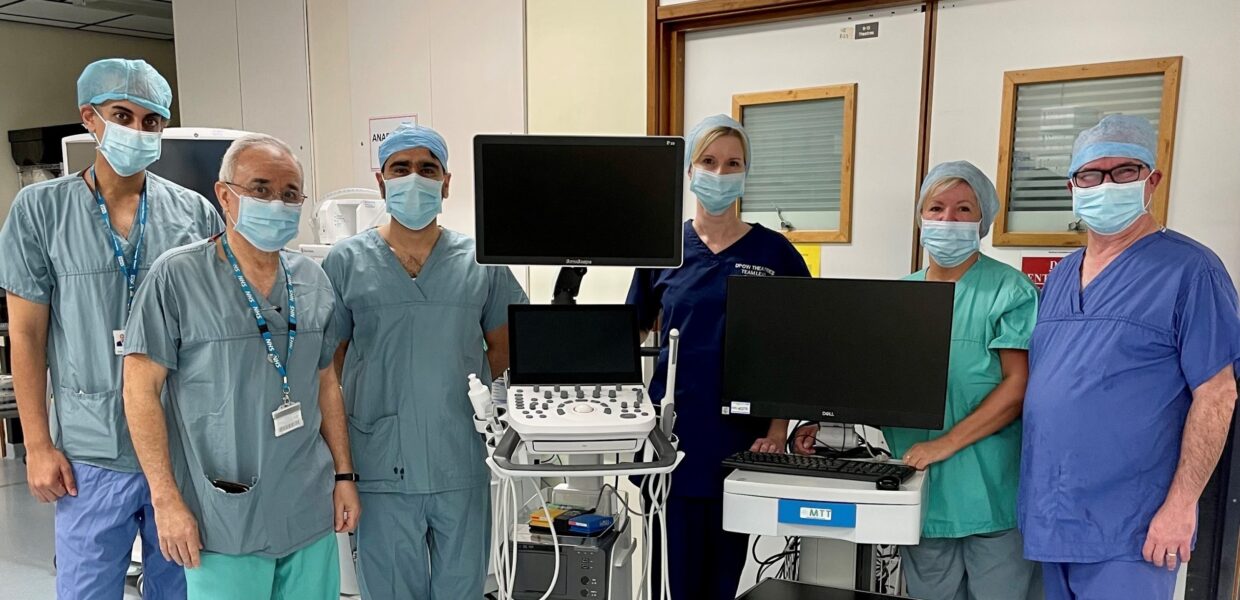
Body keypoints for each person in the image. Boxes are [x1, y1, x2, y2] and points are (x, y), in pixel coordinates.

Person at [0, 58, 221, 599]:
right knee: (87, 590)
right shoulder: (40, 211)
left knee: (182, 590)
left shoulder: (194, 214)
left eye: (151, 120)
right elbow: (26, 336)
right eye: (122, 115)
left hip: (180, 449)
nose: (138, 130)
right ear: (89, 118)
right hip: (90, 450)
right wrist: (38, 444)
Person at [121, 134, 360, 600]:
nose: (276, 203)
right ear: (225, 195)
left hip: (307, 506)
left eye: (289, 194)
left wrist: (344, 476)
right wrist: (165, 500)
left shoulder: (312, 279)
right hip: (222, 515)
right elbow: (139, 390)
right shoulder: (177, 277)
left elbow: (325, 381)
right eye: (261, 189)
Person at [1020, 115, 1240, 599]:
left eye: (1124, 171)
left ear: (1151, 181)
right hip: (1054, 516)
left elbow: (1218, 394)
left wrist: (1181, 505)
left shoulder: (1192, 270)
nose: (1106, 184)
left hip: (1133, 526)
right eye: (1090, 174)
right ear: (1072, 187)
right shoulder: (1061, 276)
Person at [322, 123, 527, 600]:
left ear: (446, 183)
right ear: (381, 182)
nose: (414, 177)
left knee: (462, 588)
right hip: (379, 463)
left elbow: (505, 347)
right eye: (401, 169)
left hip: (459, 460)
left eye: (427, 169)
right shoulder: (345, 262)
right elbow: (330, 364)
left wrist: (476, 401)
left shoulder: (480, 261)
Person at [626, 114, 810, 599]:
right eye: (708, 161)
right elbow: (629, 334)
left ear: (746, 173)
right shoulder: (663, 248)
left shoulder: (775, 254)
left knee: (722, 583)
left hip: (741, 443)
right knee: (673, 582)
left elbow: (796, 349)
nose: (720, 173)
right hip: (671, 441)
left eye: (733, 163)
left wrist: (777, 430)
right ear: (689, 171)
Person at [879, 161, 1041, 599]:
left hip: (991, 493)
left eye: (964, 209)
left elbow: (1018, 387)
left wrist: (945, 444)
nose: (947, 219)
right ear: (921, 217)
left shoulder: (1011, 291)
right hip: (922, 490)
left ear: (983, 220)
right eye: (936, 208)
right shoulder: (899, 297)